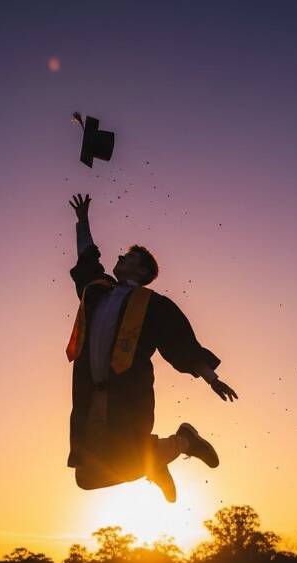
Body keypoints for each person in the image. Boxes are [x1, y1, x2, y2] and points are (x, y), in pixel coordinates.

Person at [65, 193, 239, 502]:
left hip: (127, 396)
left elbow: (182, 345)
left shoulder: (154, 305)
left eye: (129, 257)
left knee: (128, 456)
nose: (120, 257)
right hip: (91, 395)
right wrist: (82, 222)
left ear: (142, 271)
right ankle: (160, 458)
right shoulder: (97, 291)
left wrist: (212, 378)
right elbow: (87, 259)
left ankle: (183, 442)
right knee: (87, 477)